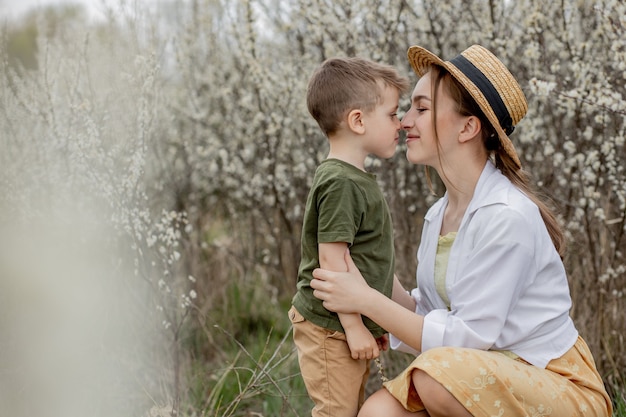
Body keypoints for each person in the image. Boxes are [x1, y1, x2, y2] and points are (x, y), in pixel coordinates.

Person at [309, 45, 613, 417]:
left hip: (551, 381)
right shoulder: (440, 214)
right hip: (474, 375)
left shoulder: (507, 216)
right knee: (378, 413)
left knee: (433, 378)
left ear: (469, 127)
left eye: (421, 108)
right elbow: (431, 311)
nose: (405, 121)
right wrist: (368, 276)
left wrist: (365, 301)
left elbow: (467, 337)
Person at [289, 57, 409, 417]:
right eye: (392, 114)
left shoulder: (352, 178)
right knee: (336, 412)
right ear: (358, 121)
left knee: (350, 408)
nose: (401, 124)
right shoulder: (341, 183)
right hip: (330, 329)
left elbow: (364, 261)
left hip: (343, 325)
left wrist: (377, 321)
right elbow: (332, 262)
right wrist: (355, 327)